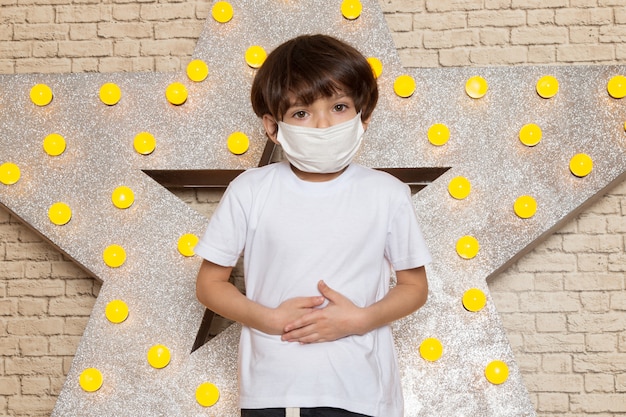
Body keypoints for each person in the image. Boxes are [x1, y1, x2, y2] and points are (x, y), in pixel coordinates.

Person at [195, 34, 431, 417]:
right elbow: (208, 284)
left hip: (362, 391)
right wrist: (269, 319)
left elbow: (414, 287)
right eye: (301, 113)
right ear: (273, 128)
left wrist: (360, 319)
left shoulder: (387, 194)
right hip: (273, 389)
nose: (322, 125)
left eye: (339, 107)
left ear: (362, 118)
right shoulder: (251, 190)